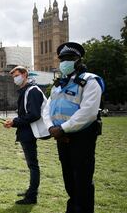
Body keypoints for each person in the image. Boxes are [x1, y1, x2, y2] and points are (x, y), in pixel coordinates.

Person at [43, 42, 104, 213]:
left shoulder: (90, 81)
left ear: (78, 60)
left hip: (81, 137)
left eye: (69, 58)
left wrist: (62, 128)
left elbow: (88, 112)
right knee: (69, 179)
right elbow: (47, 109)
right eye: (62, 59)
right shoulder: (58, 85)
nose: (64, 62)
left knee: (82, 180)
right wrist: (51, 129)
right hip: (60, 137)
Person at [3, 66, 46, 205]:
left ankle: (32, 196)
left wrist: (15, 122)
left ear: (25, 74)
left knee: (33, 165)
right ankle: (31, 191)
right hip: (26, 131)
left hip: (30, 132)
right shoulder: (26, 90)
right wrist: (14, 122)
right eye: (14, 76)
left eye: (17, 75)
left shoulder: (32, 91)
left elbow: (34, 114)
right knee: (31, 164)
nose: (15, 78)